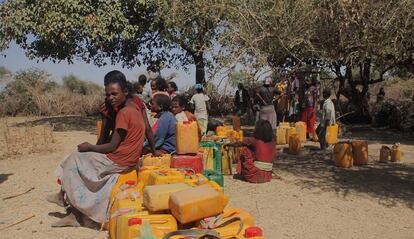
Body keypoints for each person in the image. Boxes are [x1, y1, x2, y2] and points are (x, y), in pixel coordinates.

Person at [47, 71, 146, 227]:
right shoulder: (135, 107)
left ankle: (76, 214)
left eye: (114, 94)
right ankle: (67, 200)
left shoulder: (123, 113)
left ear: (125, 92)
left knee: (74, 158)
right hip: (128, 158)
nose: (110, 98)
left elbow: (112, 145)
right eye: (108, 95)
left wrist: (90, 147)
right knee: (77, 157)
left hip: (119, 160)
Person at [97, 73, 156, 155]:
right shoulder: (137, 100)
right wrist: (154, 151)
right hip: (133, 149)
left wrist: (105, 117)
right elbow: (147, 128)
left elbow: (105, 136)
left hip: (121, 151)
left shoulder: (116, 106)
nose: (110, 96)